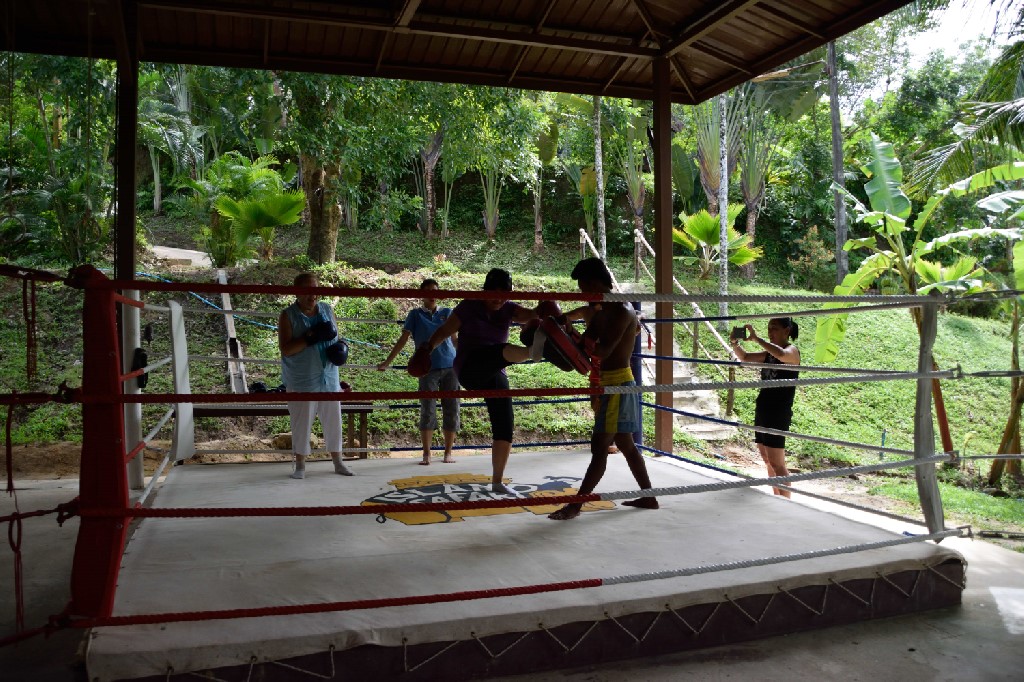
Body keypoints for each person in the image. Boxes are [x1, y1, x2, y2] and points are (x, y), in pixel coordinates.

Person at [547, 258, 658, 521]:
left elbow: (603, 350)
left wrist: (572, 337)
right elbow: (585, 345)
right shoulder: (600, 311)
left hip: (618, 384)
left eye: (584, 287)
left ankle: (575, 506)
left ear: (596, 283)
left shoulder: (622, 310)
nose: (582, 292)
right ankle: (649, 496)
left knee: (599, 447)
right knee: (626, 444)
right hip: (608, 383)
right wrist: (563, 330)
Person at [418, 268, 542, 495]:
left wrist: (550, 312)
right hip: (470, 368)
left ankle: (497, 481)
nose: (498, 299)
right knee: (501, 351)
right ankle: (534, 352)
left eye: (504, 294)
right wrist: (426, 350)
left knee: (505, 424)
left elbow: (532, 314)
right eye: (494, 293)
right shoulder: (468, 306)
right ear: (484, 290)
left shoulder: (509, 308)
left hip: (494, 371)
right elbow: (444, 331)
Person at [277, 272, 354, 479]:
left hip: (329, 376)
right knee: (301, 423)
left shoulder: (327, 309)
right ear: (297, 293)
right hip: (302, 379)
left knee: (333, 421)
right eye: (307, 291)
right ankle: (300, 466)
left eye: (315, 290)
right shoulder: (288, 315)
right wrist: (310, 338)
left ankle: (338, 462)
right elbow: (286, 349)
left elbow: (338, 336)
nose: (312, 296)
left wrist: (342, 347)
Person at [378, 278, 461, 465]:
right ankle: (426, 454)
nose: (432, 294)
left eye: (435, 291)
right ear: (422, 294)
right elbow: (403, 339)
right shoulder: (415, 315)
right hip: (426, 368)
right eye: (428, 291)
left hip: (451, 367)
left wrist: (465, 358)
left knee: (452, 408)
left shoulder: (447, 313)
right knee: (427, 409)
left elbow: (455, 340)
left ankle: (448, 453)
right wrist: (387, 362)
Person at [730, 318, 801, 497]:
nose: (770, 332)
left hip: (778, 412)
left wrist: (757, 339)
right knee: (767, 460)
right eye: (768, 328)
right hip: (763, 408)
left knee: (778, 463)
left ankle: (785, 503)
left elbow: (782, 355)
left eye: (774, 328)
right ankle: (777, 498)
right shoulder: (769, 354)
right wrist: (735, 343)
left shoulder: (792, 351)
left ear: (787, 330)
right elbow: (745, 357)